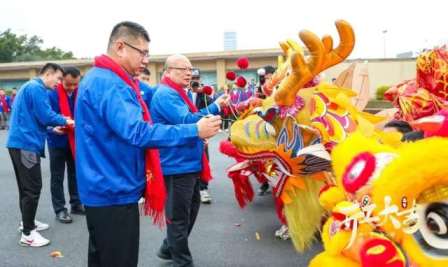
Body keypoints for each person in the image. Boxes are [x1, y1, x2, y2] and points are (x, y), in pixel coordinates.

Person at [75, 21, 221, 267]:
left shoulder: (106, 79)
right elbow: (138, 131)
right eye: (142, 52)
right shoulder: (110, 83)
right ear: (120, 47)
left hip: (106, 184)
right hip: (112, 188)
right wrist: (194, 129)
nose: (146, 60)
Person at [150, 54, 229, 267]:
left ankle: (169, 248)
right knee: (179, 218)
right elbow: (188, 121)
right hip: (177, 165)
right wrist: (215, 108)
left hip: (188, 162)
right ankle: (182, 262)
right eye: (182, 69)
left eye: (190, 69)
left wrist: (214, 108)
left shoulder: (177, 93)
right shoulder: (166, 94)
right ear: (167, 71)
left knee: (189, 212)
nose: (188, 73)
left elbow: (190, 120)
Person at [6, 62, 75, 247]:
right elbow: (45, 115)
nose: (59, 83)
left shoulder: (29, 86)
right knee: (32, 188)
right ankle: (28, 234)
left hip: (19, 143)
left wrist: (53, 129)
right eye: (58, 79)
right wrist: (67, 120)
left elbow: (35, 118)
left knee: (25, 188)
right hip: (26, 145)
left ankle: (26, 223)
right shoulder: (37, 89)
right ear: (49, 74)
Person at [47, 66, 84, 224]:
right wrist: (52, 128)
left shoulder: (80, 93)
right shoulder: (51, 94)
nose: (72, 88)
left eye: (75, 84)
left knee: (75, 173)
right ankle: (60, 209)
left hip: (75, 139)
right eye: (69, 84)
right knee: (57, 176)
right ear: (61, 80)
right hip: (57, 139)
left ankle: (76, 203)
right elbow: (44, 117)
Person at [187, 68, 214, 204]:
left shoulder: (204, 96)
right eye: (192, 79)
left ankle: (203, 188)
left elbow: (211, 112)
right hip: (188, 132)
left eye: (196, 79)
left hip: (203, 133)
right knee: (190, 161)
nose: (194, 82)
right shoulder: (182, 95)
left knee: (204, 160)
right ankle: (192, 188)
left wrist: (203, 93)